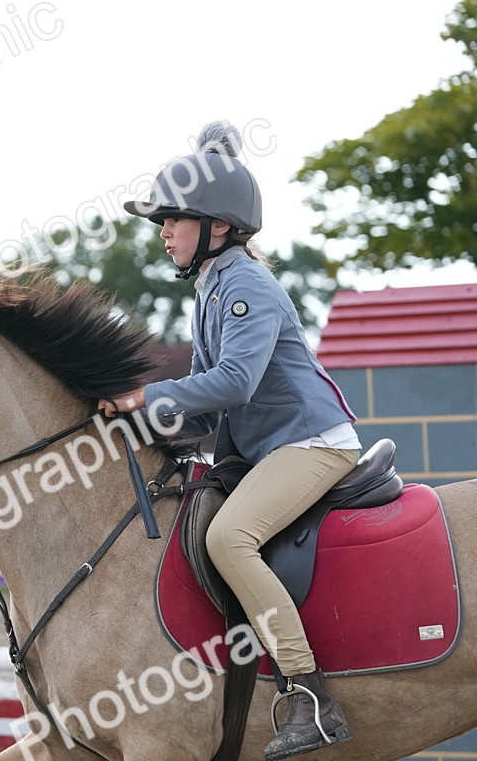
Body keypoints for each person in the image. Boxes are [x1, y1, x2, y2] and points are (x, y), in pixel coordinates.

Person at [98, 122, 360, 761]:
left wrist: (143, 399)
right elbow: (199, 387)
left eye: (172, 220)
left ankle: (308, 693)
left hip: (312, 442)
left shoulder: (243, 283)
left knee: (228, 538)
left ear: (217, 224)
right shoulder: (211, 286)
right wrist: (144, 424)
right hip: (269, 449)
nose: (162, 231)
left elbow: (234, 382)